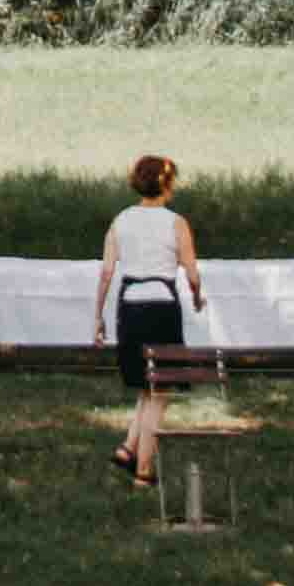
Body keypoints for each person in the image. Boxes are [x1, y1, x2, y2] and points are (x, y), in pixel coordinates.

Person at [99, 152, 200, 479]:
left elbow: (106, 273)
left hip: (129, 308)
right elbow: (192, 273)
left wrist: (98, 317)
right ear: (168, 185)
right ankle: (143, 470)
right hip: (161, 309)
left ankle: (128, 447)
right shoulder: (176, 223)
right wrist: (198, 297)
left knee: (146, 387)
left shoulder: (121, 221)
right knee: (160, 391)